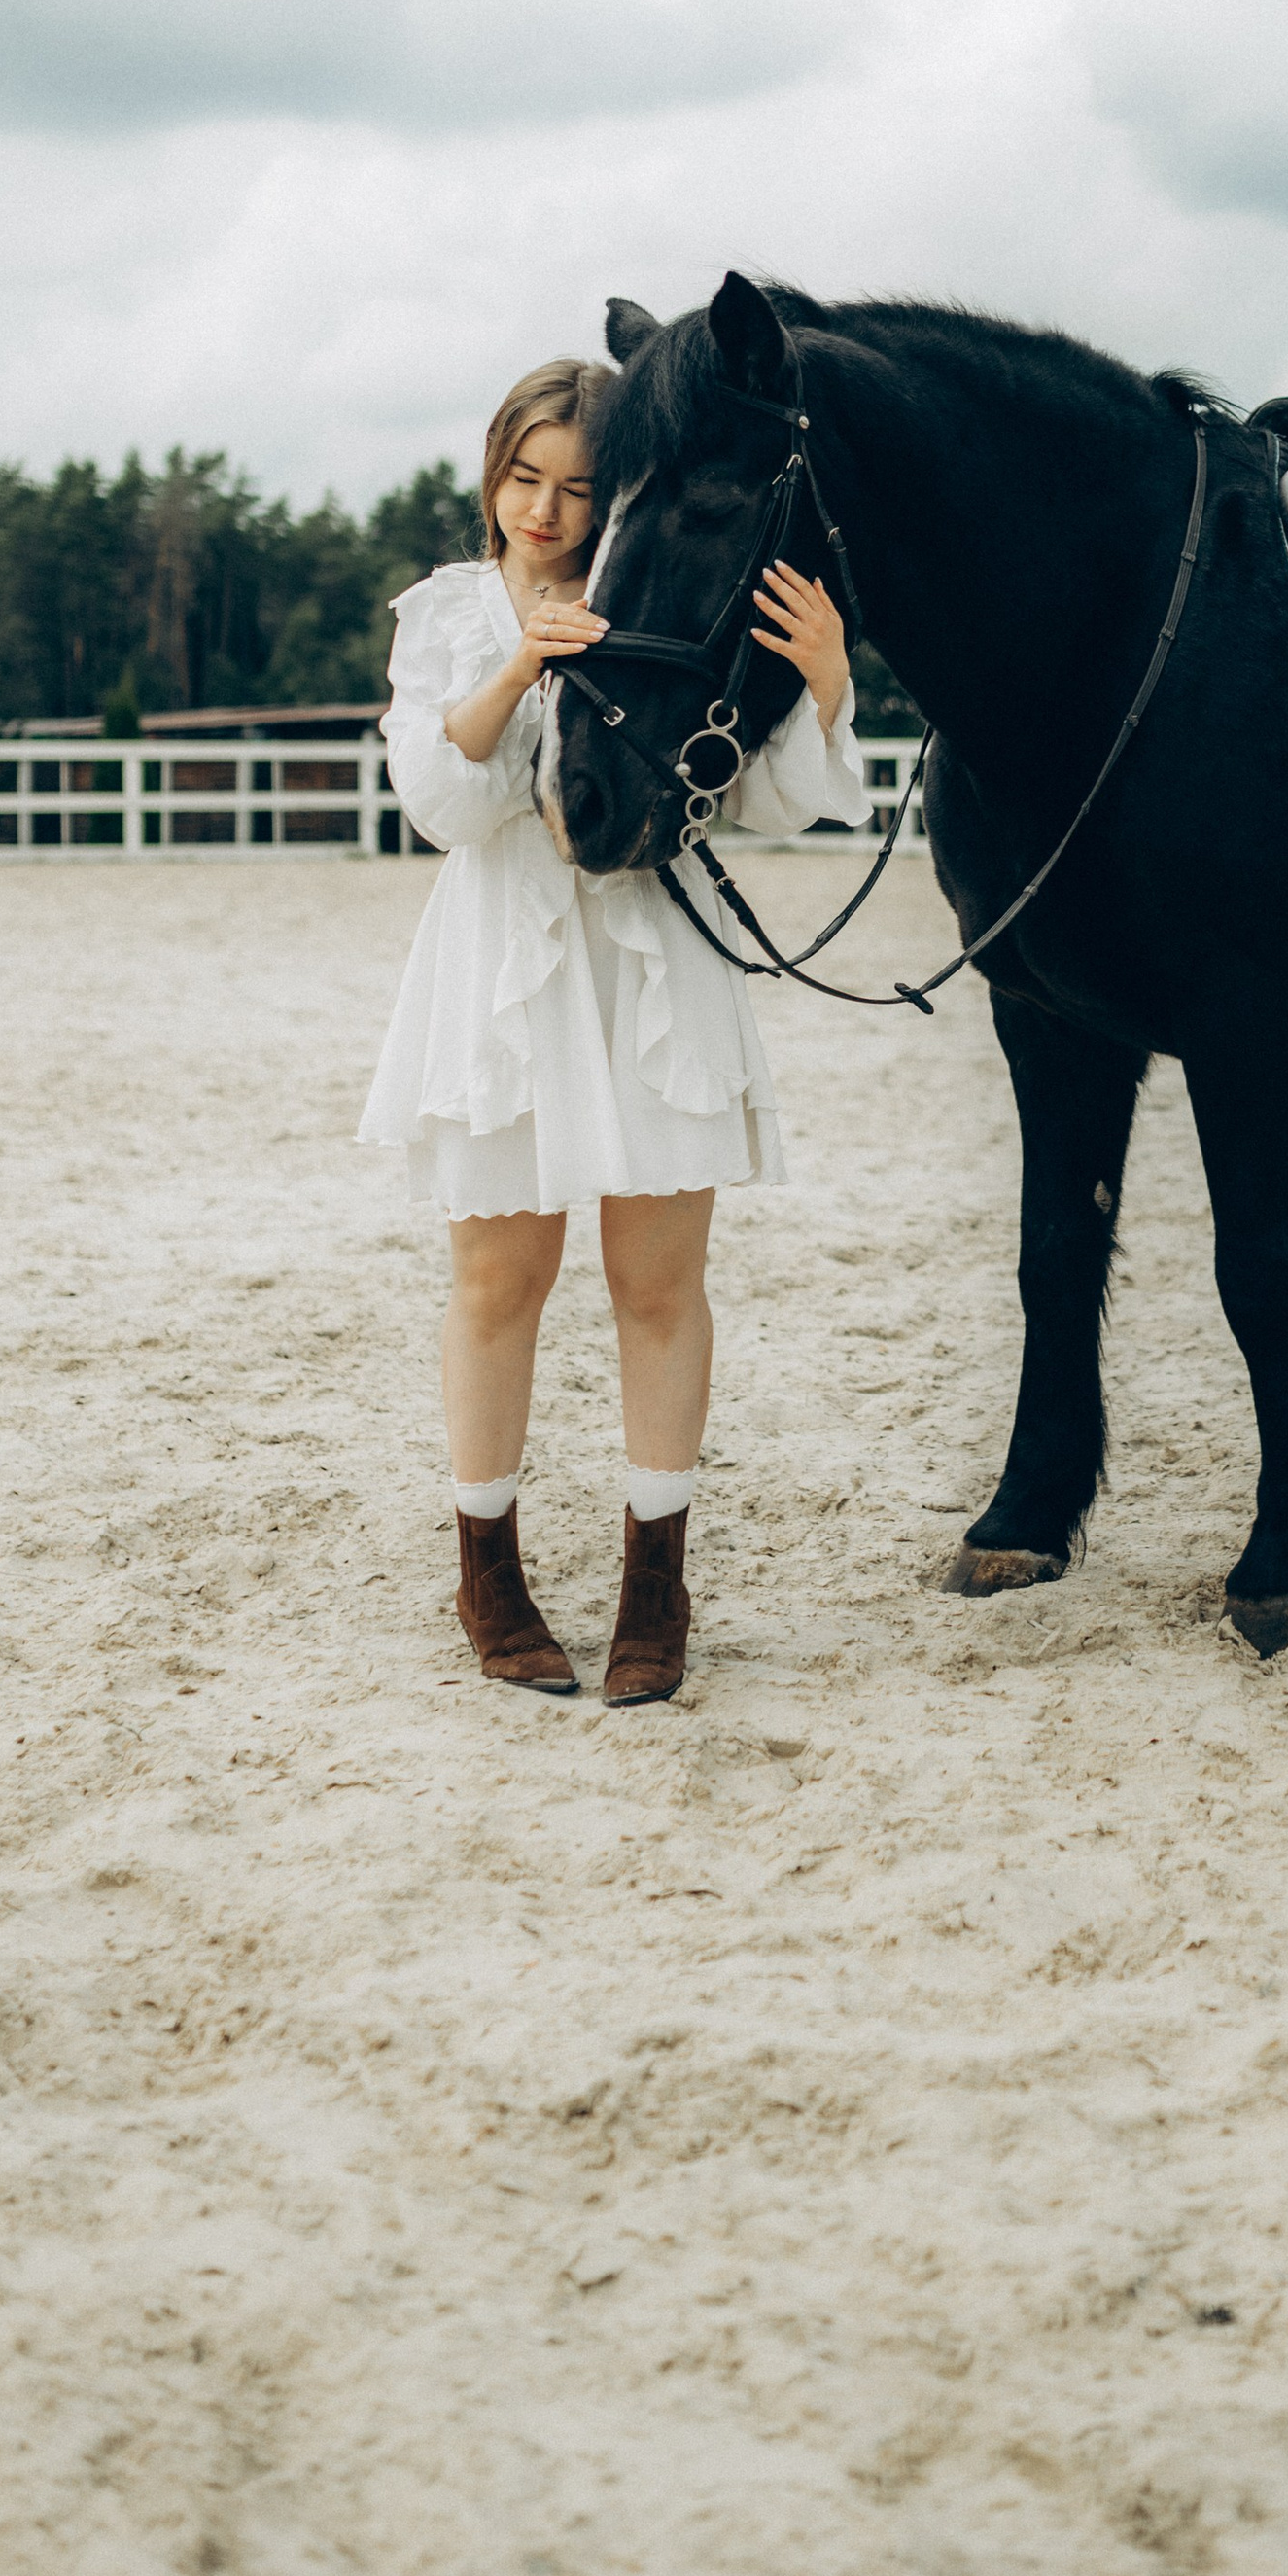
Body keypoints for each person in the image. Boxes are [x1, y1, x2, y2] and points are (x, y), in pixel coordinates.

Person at [358, 356, 867, 1708]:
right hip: (503, 965)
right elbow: (444, 804)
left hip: (651, 964)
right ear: (492, 474)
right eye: (523, 478)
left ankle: (657, 1584)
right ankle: (489, 1573)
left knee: (657, 1284)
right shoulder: (447, 613)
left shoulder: (660, 590)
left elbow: (766, 803)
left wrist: (825, 684)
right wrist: (524, 658)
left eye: (577, 489)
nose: (543, 510)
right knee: (498, 1283)